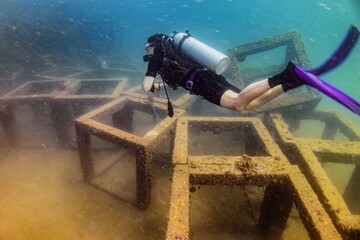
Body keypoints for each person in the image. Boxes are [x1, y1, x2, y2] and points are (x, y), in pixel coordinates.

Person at [142, 27, 360, 116]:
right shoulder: (171, 56)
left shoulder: (159, 56)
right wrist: (159, 85)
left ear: (154, 45)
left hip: (202, 83)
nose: (147, 52)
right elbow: (176, 82)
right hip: (205, 78)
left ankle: (285, 75)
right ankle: (294, 81)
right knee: (250, 105)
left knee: (238, 103)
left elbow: (145, 86)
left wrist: (150, 77)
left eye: (147, 48)